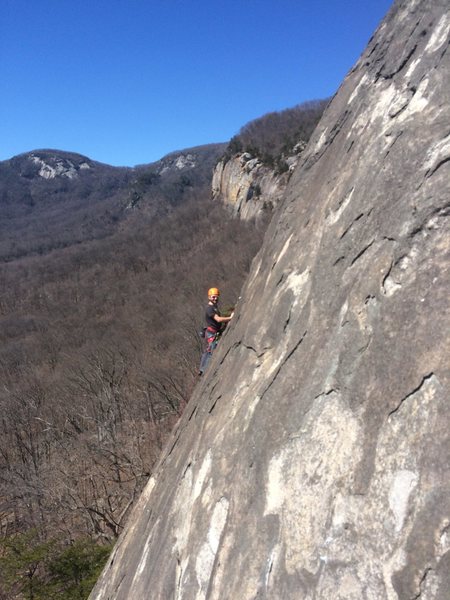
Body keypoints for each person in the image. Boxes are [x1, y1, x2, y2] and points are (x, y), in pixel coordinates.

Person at [198, 287, 233, 375]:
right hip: (211, 333)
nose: (215, 298)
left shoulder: (214, 307)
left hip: (213, 331)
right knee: (211, 351)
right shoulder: (209, 308)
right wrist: (230, 318)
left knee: (210, 350)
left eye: (217, 296)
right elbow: (218, 319)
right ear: (209, 297)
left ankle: (202, 369)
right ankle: (203, 369)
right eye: (213, 297)